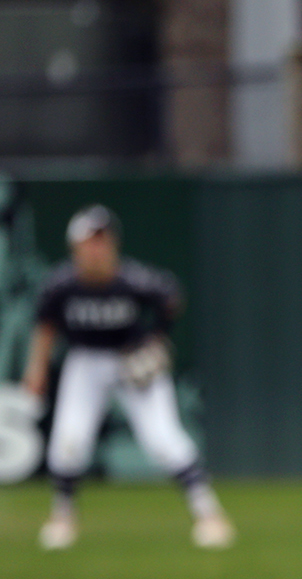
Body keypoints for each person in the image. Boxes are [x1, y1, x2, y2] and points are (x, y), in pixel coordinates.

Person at [19, 205, 233, 550]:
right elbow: (45, 327)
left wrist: (156, 338)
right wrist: (36, 370)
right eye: (90, 241)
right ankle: (62, 517)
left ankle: (209, 514)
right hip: (86, 361)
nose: (97, 248)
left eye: (102, 240)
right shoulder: (61, 285)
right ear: (75, 247)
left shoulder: (134, 280)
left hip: (131, 361)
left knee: (163, 439)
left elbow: (171, 298)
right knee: (69, 440)